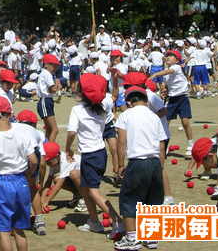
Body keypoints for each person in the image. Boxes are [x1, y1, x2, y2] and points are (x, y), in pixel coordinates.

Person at [0, 96, 38, 251]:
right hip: (21, 180)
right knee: (19, 229)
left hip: (3, 182)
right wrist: (29, 174)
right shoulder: (22, 134)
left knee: (4, 230)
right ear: (9, 113)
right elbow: (34, 160)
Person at [114, 86, 167, 251]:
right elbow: (161, 144)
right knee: (153, 201)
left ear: (130, 102)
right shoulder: (154, 117)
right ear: (145, 100)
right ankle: (151, 238)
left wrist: (120, 165)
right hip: (155, 162)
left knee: (129, 199)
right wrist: (161, 165)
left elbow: (121, 141)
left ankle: (132, 238)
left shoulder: (126, 115)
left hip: (137, 161)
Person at [65, 73, 111, 233]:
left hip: (90, 155)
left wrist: (67, 148)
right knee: (85, 188)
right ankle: (93, 221)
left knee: (93, 191)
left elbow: (71, 133)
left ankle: (120, 221)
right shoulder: (102, 110)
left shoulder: (77, 110)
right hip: (100, 153)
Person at [150, 50, 194, 157]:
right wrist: (164, 90)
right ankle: (164, 146)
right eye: (167, 56)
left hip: (182, 98)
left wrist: (155, 74)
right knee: (165, 122)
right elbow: (166, 84)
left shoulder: (176, 67)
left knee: (185, 121)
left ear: (177, 60)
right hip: (171, 99)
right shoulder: (166, 70)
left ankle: (190, 144)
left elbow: (167, 72)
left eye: (171, 56)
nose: (168, 57)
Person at [13, 110, 46, 236]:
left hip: (16, 154)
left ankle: (15, 222)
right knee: (33, 189)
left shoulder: (13, 127)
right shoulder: (38, 133)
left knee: (14, 187)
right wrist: (40, 182)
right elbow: (42, 163)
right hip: (32, 156)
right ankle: (39, 222)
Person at [37, 54, 61, 142]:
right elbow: (52, 89)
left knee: (49, 129)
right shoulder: (47, 74)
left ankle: (46, 147)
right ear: (47, 65)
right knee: (54, 129)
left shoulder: (45, 73)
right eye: (53, 65)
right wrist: (58, 85)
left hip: (46, 101)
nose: (55, 68)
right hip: (45, 100)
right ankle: (49, 149)